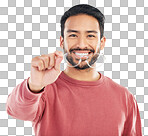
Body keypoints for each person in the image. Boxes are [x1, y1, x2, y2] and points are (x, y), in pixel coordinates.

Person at [6, 4, 142, 136]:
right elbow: (17, 112)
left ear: (102, 42)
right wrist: (35, 85)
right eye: (73, 35)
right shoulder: (43, 89)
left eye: (90, 36)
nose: (82, 44)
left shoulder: (125, 97)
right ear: (62, 41)